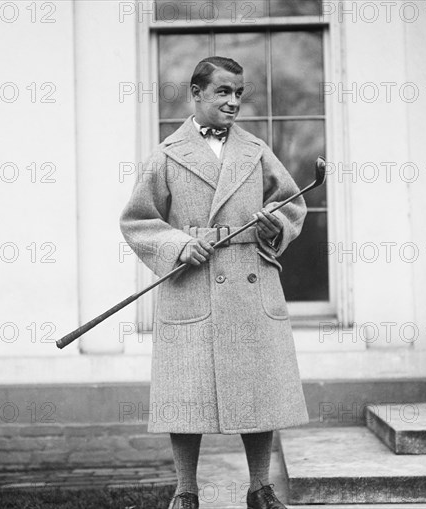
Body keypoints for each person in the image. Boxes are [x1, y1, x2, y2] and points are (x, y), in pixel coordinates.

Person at [120, 56, 309, 509]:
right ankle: (185, 492)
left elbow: (292, 204)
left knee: (257, 390)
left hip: (250, 284)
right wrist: (178, 246)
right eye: (223, 91)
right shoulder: (166, 155)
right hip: (192, 284)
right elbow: (138, 221)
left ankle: (260, 488)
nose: (233, 101)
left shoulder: (257, 150)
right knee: (185, 397)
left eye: (239, 92)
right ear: (198, 93)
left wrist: (272, 224)